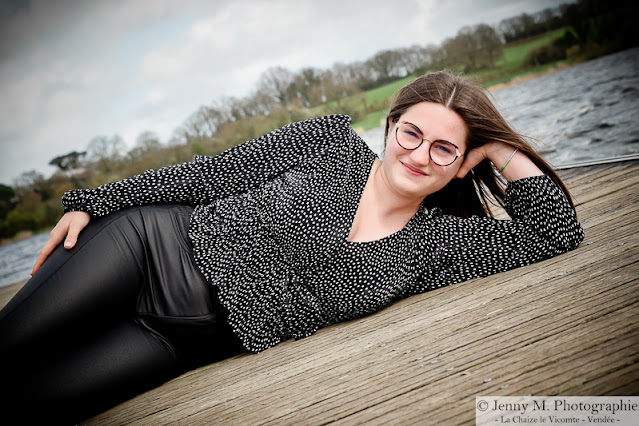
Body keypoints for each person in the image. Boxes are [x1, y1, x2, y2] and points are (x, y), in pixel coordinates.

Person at [0, 71, 584, 424]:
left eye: (444, 149)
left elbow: (554, 233)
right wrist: (93, 203)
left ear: (460, 165)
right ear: (390, 125)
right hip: (147, 250)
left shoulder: (437, 243)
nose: (419, 154)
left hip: (175, 343)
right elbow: (212, 173)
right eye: (412, 133)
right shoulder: (325, 141)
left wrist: (501, 150)